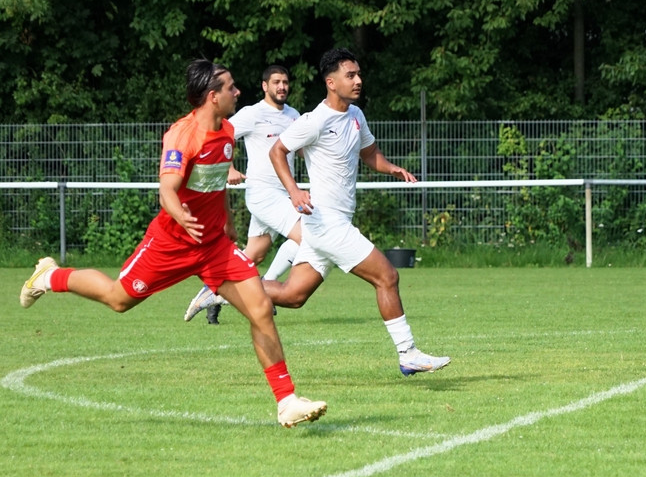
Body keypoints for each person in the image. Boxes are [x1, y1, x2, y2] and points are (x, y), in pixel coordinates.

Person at [19, 59, 328, 428]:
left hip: (213, 245)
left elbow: (215, 185)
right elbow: (167, 189)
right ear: (213, 97)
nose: (237, 92)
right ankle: (49, 276)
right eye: (230, 87)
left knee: (260, 308)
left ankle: (287, 401)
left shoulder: (228, 131)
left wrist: (226, 222)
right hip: (172, 243)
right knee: (119, 299)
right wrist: (181, 216)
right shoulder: (183, 135)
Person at [265, 47, 450, 376]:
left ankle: (225, 285)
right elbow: (277, 150)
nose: (358, 80)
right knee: (387, 276)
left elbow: (370, 154)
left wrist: (393, 169)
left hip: (326, 225)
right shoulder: (315, 120)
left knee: (292, 296)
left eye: (359, 74)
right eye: (350, 75)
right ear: (331, 82)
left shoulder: (355, 115)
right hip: (327, 223)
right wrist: (293, 190)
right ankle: (407, 353)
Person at [184, 64, 303, 325]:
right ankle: (266, 290)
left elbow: (300, 149)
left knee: (254, 255)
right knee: (309, 234)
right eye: (276, 82)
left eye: (285, 82)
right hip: (263, 194)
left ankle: (213, 292)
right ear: (265, 86)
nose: (281, 86)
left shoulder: (294, 115)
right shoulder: (253, 114)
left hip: (283, 195)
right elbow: (216, 135)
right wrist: (229, 168)